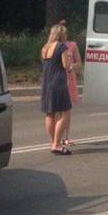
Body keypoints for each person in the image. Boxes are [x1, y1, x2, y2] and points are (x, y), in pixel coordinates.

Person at [40, 22, 73, 155]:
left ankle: (52, 142)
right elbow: (66, 66)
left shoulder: (45, 48)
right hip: (58, 83)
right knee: (65, 112)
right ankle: (57, 144)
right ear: (60, 35)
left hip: (46, 83)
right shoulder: (61, 47)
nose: (66, 36)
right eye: (64, 33)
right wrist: (74, 67)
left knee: (50, 113)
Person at [59, 20, 81, 147]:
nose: (64, 35)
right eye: (62, 32)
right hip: (57, 80)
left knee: (67, 110)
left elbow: (79, 63)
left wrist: (72, 66)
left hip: (69, 80)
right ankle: (57, 138)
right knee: (57, 111)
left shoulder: (72, 45)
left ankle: (66, 137)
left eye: (65, 32)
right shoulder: (52, 46)